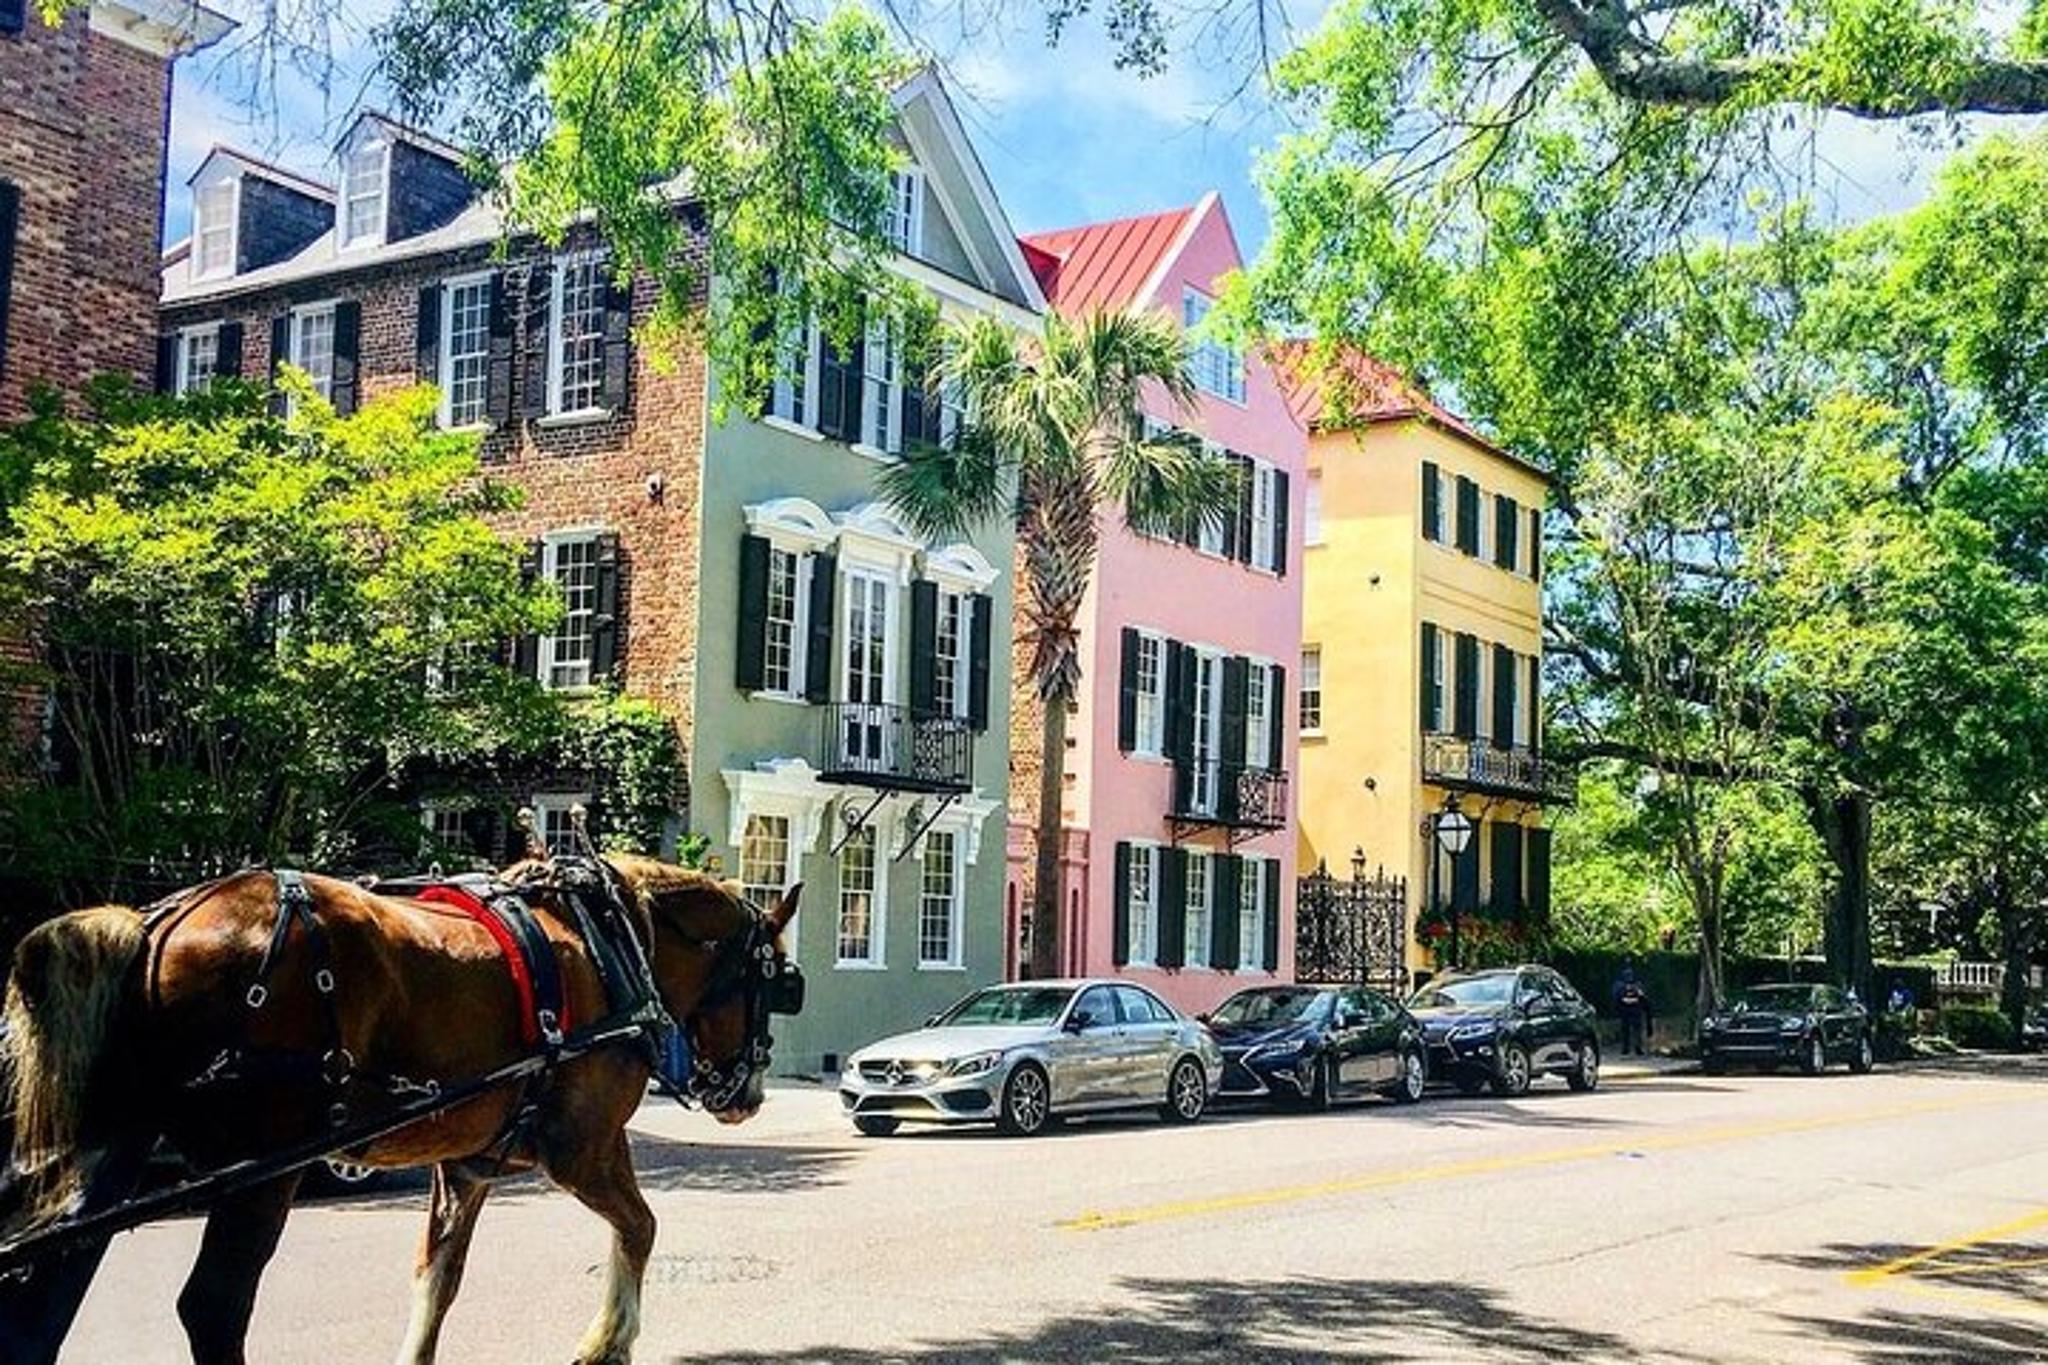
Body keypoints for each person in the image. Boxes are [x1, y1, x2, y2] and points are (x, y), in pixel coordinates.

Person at [1612, 964, 1652, 1057]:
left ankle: (1635, 1048)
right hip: (1626, 1009)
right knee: (1627, 1029)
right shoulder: (1620, 984)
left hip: (1634, 1009)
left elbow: (1643, 997)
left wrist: (1638, 994)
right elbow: (1617, 997)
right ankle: (1627, 1048)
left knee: (1635, 1029)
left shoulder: (1637, 984)